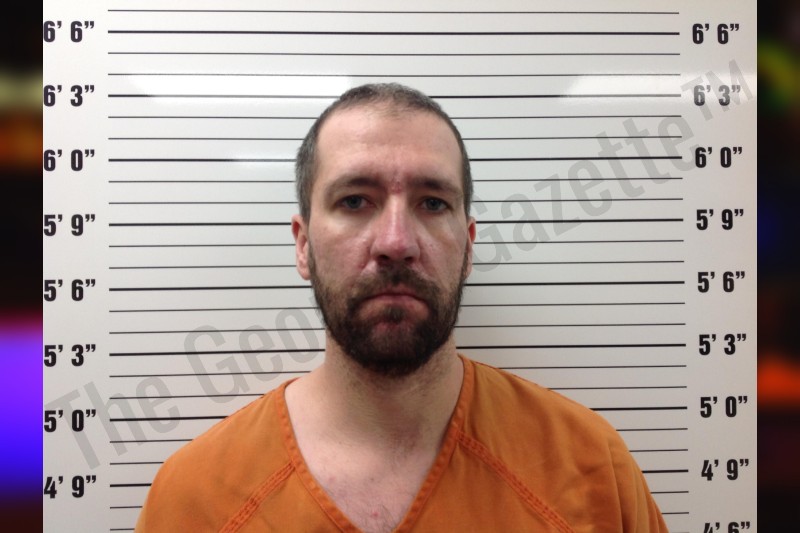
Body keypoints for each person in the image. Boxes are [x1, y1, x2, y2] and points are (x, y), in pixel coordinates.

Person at [135, 83, 668, 532]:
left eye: (432, 203)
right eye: (354, 201)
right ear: (303, 244)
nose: (396, 242)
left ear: (468, 247)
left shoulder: (593, 469)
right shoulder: (194, 499)